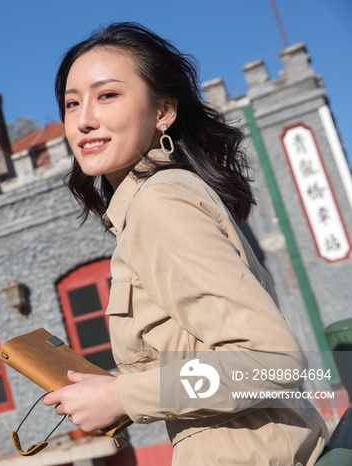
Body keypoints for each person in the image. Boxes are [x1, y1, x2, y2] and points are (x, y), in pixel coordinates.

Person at [42, 22, 328, 465]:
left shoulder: (160, 202)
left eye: (108, 95)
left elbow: (274, 362)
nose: (83, 119)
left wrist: (123, 395)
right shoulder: (150, 202)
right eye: (71, 103)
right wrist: (118, 388)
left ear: (163, 112)